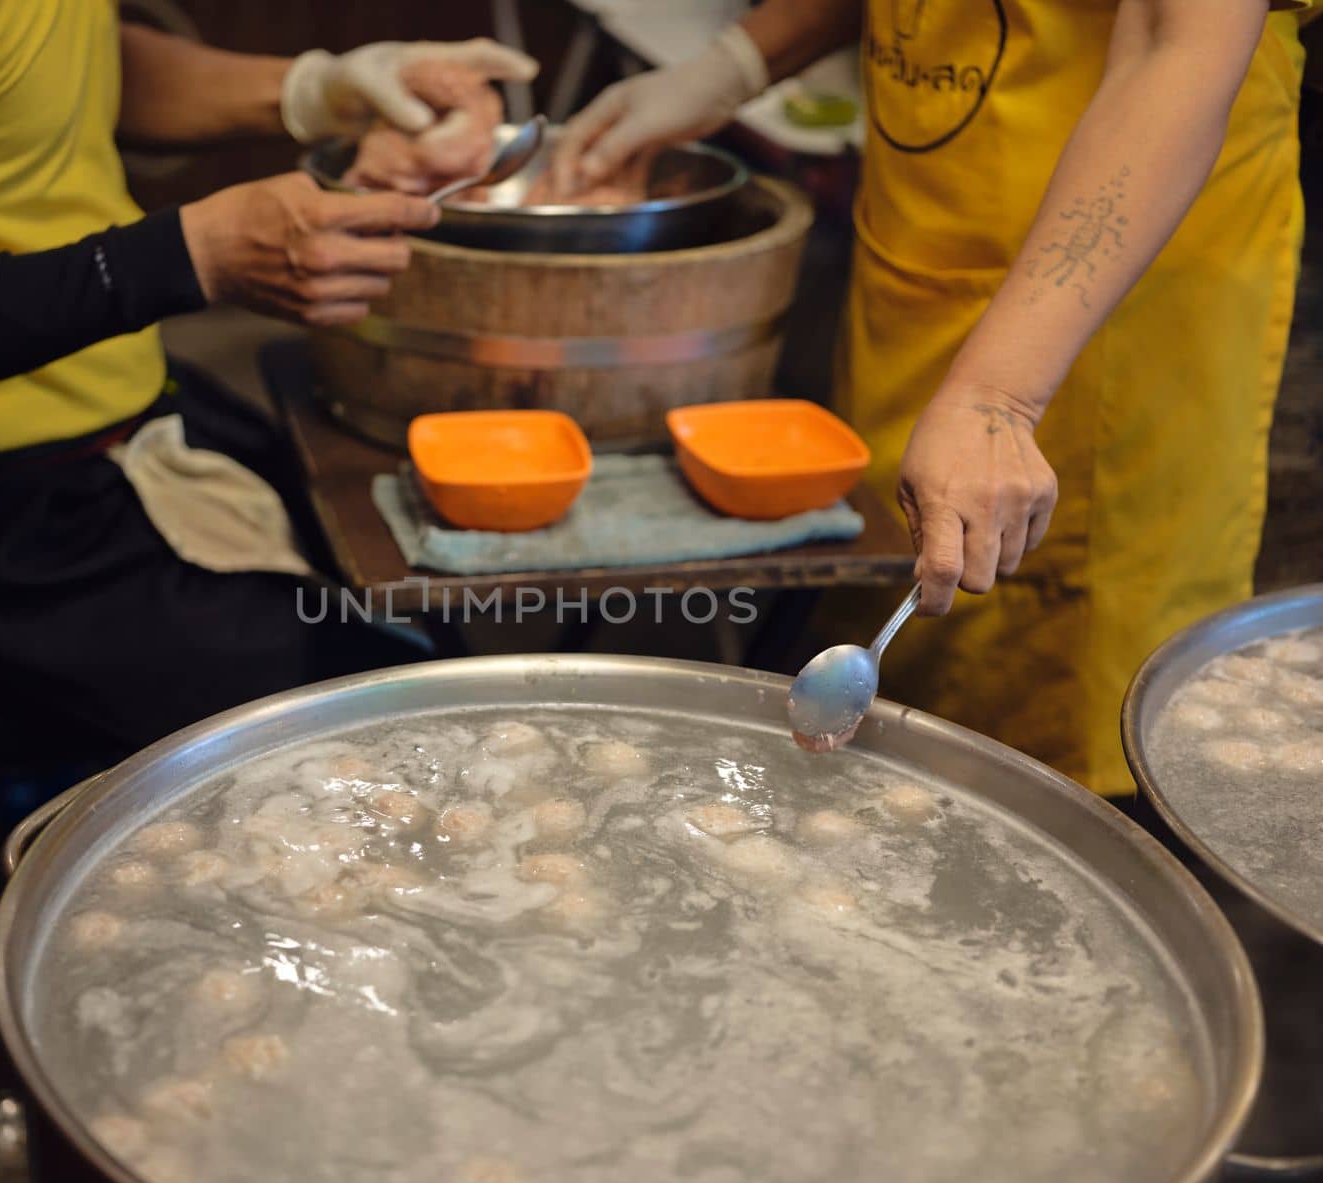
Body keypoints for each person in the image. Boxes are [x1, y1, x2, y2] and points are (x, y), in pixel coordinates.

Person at [555, 0, 1313, 794]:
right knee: (898, 662)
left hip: (1104, 301)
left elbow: (1177, 47)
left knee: (1044, 745)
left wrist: (1000, 397)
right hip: (929, 236)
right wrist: (732, 67)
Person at [0, 0, 537, 749]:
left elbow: (52, 65)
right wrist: (186, 257)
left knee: (422, 621)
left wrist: (320, 89)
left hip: (132, 404)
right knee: (416, 733)